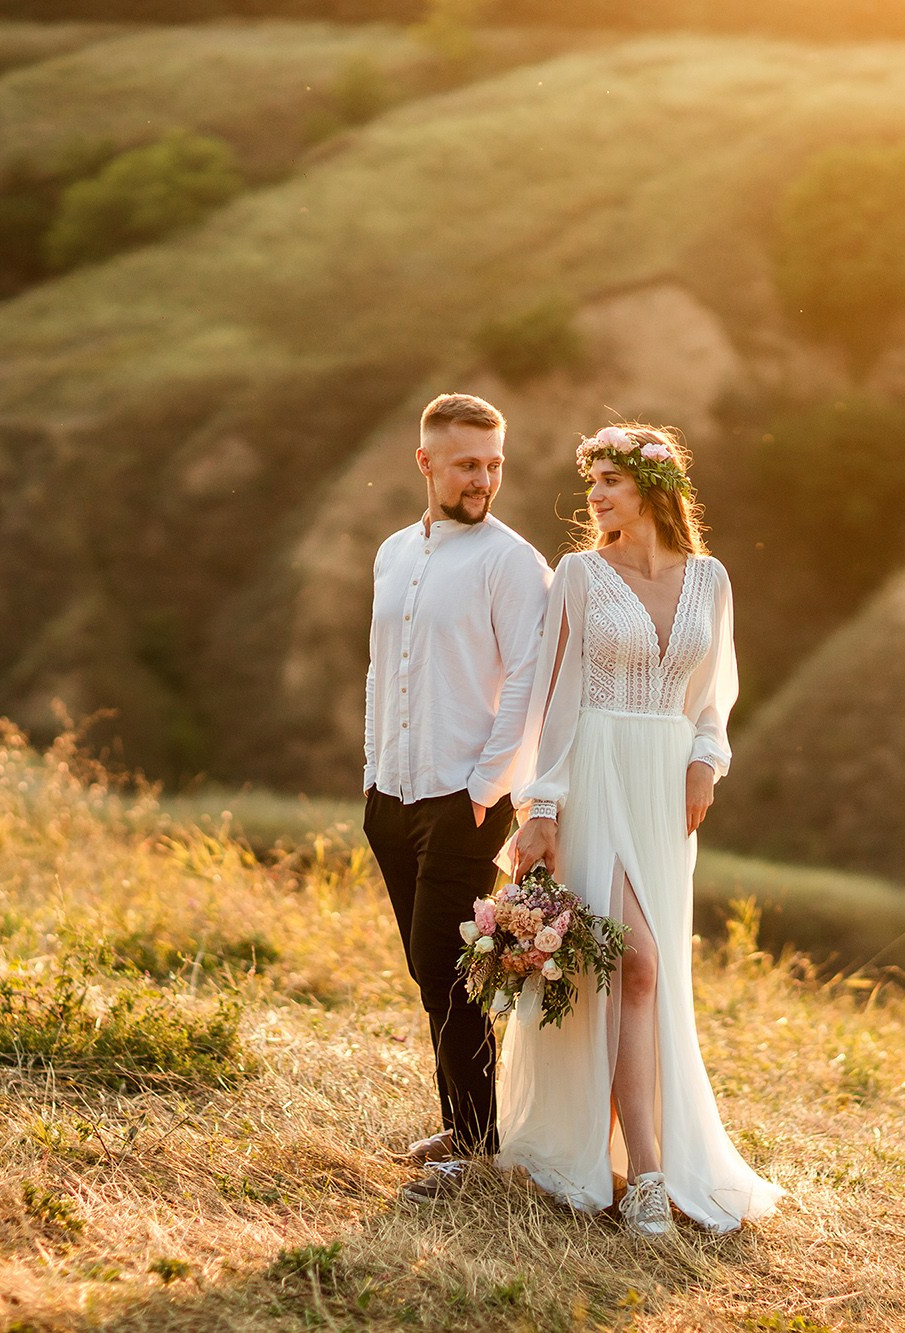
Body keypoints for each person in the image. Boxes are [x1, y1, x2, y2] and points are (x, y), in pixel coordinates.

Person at [501, 423, 783, 1237]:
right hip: (594, 773)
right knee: (633, 959)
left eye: (610, 480)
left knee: (645, 978)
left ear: (655, 487)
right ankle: (648, 1177)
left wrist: (706, 758)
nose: (594, 497)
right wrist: (543, 807)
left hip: (665, 788)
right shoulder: (582, 575)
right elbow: (555, 700)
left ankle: (643, 1160)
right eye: (591, 483)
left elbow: (713, 691)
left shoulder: (712, 578)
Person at [362, 392, 552, 1203]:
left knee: (449, 969)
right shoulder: (393, 552)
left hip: (465, 799)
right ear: (426, 462)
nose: (483, 478)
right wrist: (372, 767)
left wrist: (487, 786)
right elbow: (380, 668)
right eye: (468, 462)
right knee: (424, 967)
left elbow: (530, 684)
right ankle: (463, 1123)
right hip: (390, 793)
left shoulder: (514, 562)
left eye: (494, 463)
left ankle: (476, 1152)